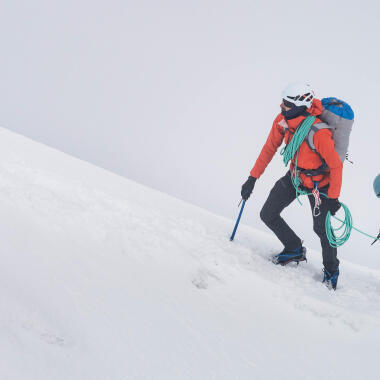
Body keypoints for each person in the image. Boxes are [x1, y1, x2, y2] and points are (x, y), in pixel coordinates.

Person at [241, 83, 343, 290]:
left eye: (286, 103)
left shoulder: (318, 132)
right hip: (295, 176)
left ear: (299, 105)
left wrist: (333, 197)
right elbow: (269, 148)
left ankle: (332, 271)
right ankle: (294, 247)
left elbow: (336, 166)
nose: (281, 106)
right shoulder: (283, 121)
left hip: (319, 184)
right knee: (268, 213)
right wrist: (252, 178)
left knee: (321, 229)